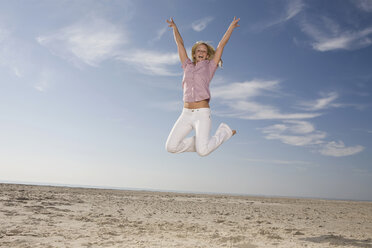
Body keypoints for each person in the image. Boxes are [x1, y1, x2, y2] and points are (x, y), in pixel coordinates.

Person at [165, 17, 240, 157]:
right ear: (194, 53)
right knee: (171, 147)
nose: (201, 52)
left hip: (202, 114)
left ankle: (225, 132)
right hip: (185, 113)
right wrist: (175, 28)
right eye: (199, 50)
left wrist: (230, 27)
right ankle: (202, 141)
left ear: (206, 55)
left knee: (203, 151)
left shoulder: (210, 66)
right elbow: (180, 45)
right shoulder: (186, 65)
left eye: (204, 51)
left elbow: (221, 45)